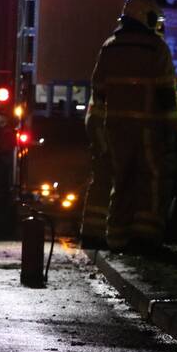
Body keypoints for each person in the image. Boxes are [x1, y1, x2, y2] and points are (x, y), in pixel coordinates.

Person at [90, 0, 177, 252]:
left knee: (121, 181)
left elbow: (98, 89)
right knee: (152, 179)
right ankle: (145, 236)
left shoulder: (110, 46)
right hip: (147, 127)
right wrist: (174, 129)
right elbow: (166, 94)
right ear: (146, 16)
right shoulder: (156, 48)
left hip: (115, 127)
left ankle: (116, 237)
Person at [79, 92, 110, 249]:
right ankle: (94, 234)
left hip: (104, 143)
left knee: (101, 187)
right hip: (105, 145)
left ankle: (93, 233)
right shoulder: (102, 98)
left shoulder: (100, 91)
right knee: (103, 186)